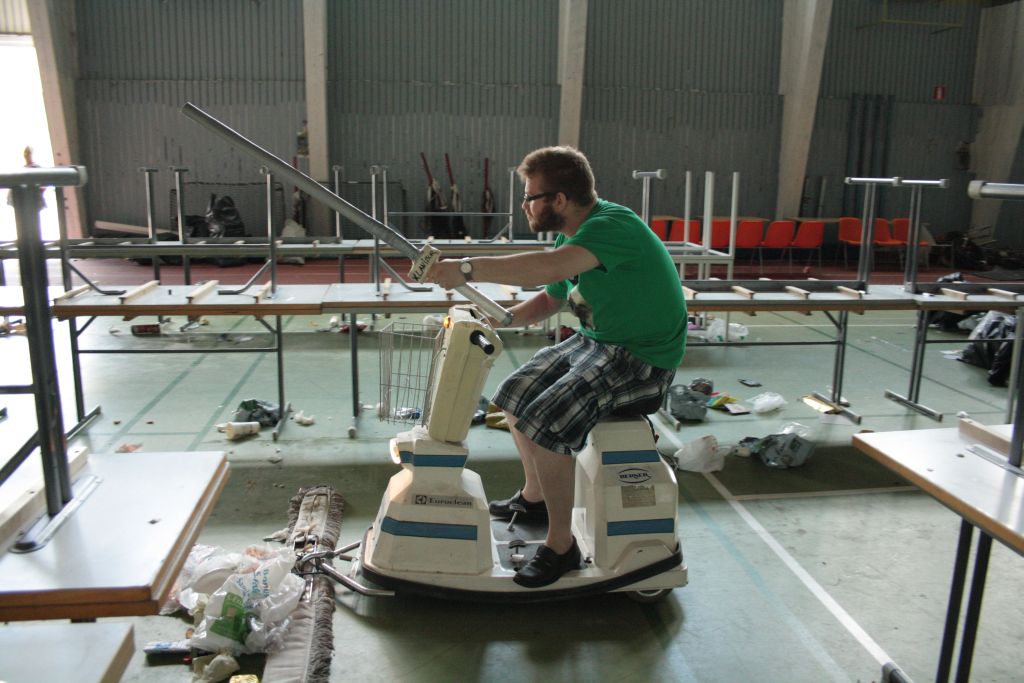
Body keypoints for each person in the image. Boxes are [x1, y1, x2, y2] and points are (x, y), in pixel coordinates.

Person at [427, 146, 686, 588]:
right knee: (513, 396)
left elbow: (547, 268)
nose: (525, 206)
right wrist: (504, 318)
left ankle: (561, 546)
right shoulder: (575, 235)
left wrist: (466, 269)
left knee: (546, 423)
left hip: (642, 360)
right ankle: (535, 498)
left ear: (560, 200)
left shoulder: (611, 227)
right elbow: (552, 296)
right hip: (598, 344)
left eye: (530, 197)